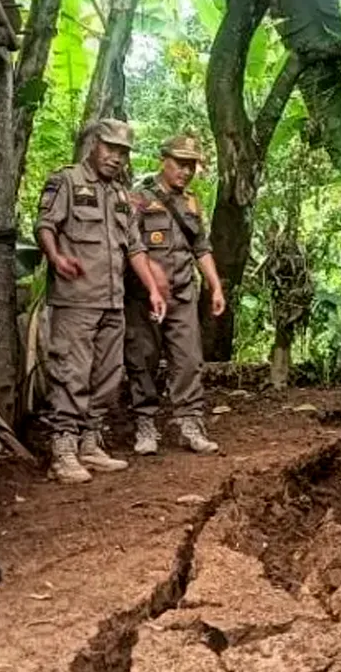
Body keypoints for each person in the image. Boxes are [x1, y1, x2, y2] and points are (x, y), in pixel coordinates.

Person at [35, 119, 165, 484]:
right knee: (71, 373)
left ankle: (90, 442)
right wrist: (56, 256)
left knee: (108, 375)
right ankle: (63, 451)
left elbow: (135, 247)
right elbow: (44, 224)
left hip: (113, 301)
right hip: (76, 300)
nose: (116, 157)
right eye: (110, 148)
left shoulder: (121, 195)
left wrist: (153, 289)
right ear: (94, 145)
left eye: (123, 152)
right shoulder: (67, 181)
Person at [124, 135, 225, 455]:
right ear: (163, 160)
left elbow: (201, 247)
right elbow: (130, 245)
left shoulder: (192, 203)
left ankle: (190, 423)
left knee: (189, 360)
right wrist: (152, 277)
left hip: (183, 294)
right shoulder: (138, 197)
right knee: (143, 359)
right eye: (180, 164)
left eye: (191, 165)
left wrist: (215, 284)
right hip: (145, 297)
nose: (186, 171)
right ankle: (145, 424)